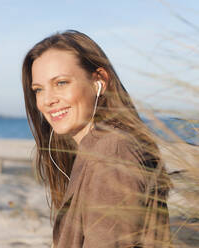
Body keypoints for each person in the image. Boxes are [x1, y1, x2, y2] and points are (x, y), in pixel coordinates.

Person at [21, 30, 171, 247]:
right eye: (38, 89)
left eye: (61, 83)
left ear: (99, 81)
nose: (47, 100)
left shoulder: (113, 152)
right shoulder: (97, 148)